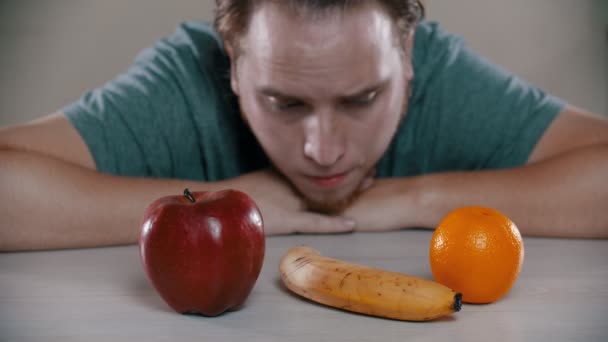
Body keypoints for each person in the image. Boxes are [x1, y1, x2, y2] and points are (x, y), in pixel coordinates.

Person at [1, 0, 607, 251]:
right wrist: (228, 204)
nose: (324, 150)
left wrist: (413, 199)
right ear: (233, 66)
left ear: (408, 58)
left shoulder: (443, 76)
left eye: (363, 98)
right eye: (285, 104)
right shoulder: (186, 81)